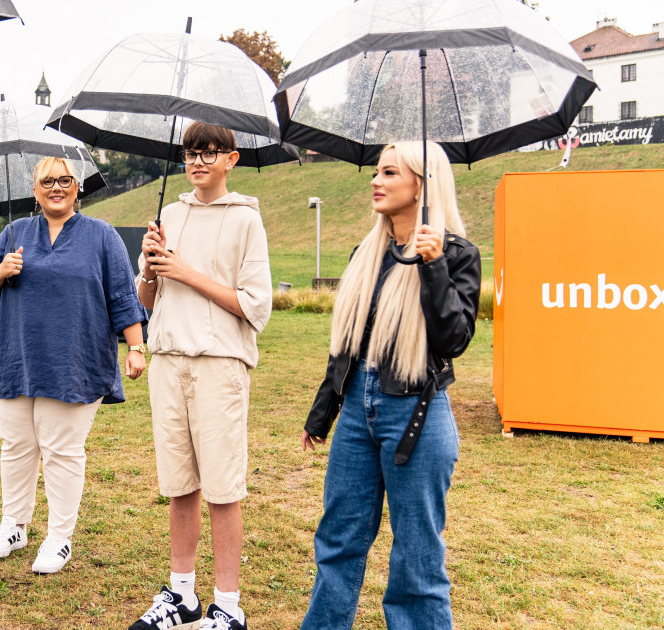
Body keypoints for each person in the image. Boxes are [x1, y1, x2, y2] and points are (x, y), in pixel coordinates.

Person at [298, 141, 480, 630]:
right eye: (376, 172)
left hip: (416, 414)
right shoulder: (367, 253)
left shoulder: (458, 254)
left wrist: (434, 265)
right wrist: (324, 414)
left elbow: (455, 340)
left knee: (418, 555)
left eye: (390, 172)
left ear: (421, 184)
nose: (376, 181)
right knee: (338, 539)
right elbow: (348, 342)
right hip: (357, 407)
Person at [0, 156, 148, 575]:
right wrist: (1, 269)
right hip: (20, 360)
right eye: (47, 181)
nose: (56, 187)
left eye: (65, 180)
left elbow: (123, 296)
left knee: (61, 452)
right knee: (16, 448)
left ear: (77, 187)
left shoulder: (102, 236)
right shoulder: (15, 232)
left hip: (76, 361)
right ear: (35, 190)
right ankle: (14, 526)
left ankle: (59, 538)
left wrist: (137, 347)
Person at [129, 122, 273, 630]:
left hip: (219, 364)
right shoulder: (169, 214)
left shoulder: (245, 220)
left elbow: (256, 307)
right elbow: (144, 302)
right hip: (168, 361)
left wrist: (186, 271)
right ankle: (181, 595)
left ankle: (228, 606)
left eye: (210, 153)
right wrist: (149, 268)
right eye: (191, 152)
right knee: (179, 484)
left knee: (222, 487)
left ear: (231, 160)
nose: (198, 161)